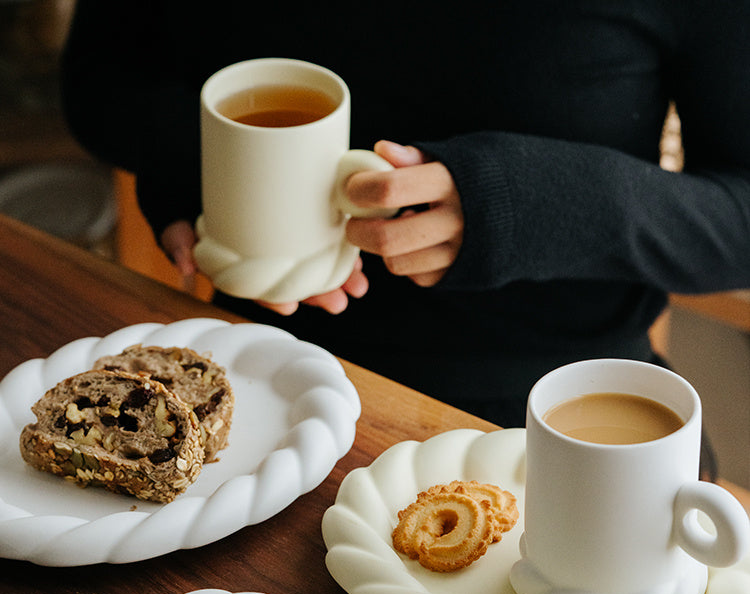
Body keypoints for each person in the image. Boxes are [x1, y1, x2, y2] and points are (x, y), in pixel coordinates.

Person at [60, 0, 750, 432]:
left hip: (557, 417)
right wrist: (208, 162)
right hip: (255, 384)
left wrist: (537, 204)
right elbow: (100, 81)